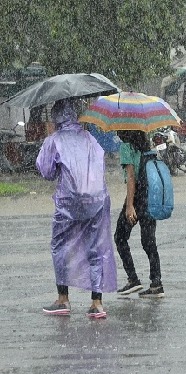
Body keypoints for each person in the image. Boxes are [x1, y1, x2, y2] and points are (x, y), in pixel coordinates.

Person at [37, 99, 117, 319]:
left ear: (56, 117)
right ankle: (97, 303)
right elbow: (100, 165)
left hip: (68, 200)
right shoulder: (90, 138)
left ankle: (63, 299)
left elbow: (46, 171)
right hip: (97, 198)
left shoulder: (54, 140)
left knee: (60, 246)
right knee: (97, 247)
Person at [114, 130, 165, 298]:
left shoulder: (126, 147)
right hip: (150, 197)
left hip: (136, 199)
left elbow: (131, 178)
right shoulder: (146, 146)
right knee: (149, 242)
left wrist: (130, 206)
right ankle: (156, 283)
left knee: (120, 237)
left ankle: (133, 279)